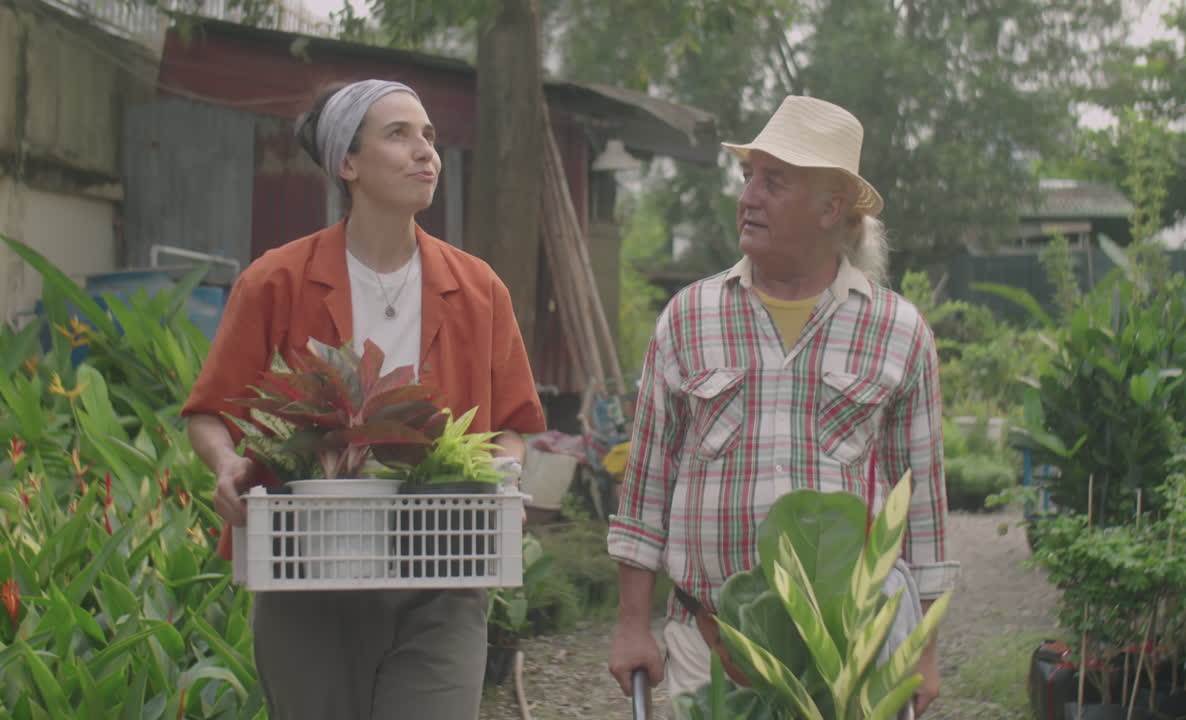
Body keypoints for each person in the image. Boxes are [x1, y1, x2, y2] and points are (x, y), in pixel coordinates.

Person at [182, 79, 546, 720]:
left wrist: (504, 474)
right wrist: (227, 464)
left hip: (445, 569)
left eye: (429, 135)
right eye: (399, 134)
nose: (425, 151)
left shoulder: (478, 288)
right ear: (347, 164)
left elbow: (513, 425)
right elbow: (210, 411)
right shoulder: (275, 280)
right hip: (307, 572)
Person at [605, 95, 959, 718]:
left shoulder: (898, 331)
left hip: (847, 658)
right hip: (708, 644)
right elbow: (647, 487)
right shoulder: (688, 318)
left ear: (831, 207)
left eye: (775, 181)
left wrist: (922, 650)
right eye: (748, 177)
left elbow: (922, 503)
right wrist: (632, 625)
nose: (748, 197)